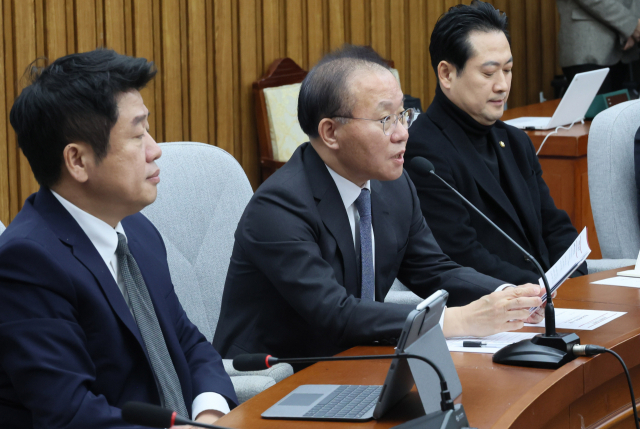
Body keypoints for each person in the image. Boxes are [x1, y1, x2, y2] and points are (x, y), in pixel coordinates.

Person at [213, 45, 544, 362]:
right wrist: (456, 321)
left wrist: (509, 295)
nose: (402, 133)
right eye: (386, 120)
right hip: (276, 379)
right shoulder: (279, 206)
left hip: (361, 359)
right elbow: (335, 312)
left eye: (404, 115)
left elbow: (433, 269)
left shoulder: (394, 186)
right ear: (330, 132)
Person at [0, 49, 237, 428]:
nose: (155, 149)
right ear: (77, 161)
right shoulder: (26, 263)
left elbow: (189, 343)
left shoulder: (136, 230)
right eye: (138, 134)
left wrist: (208, 413)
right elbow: (71, 413)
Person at [404, 1, 588, 287]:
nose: (502, 85)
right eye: (489, 73)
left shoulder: (514, 140)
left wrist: (573, 281)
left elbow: (554, 225)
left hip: (549, 301)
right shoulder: (423, 153)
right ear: (446, 74)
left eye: (508, 70)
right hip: (497, 309)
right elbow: (461, 254)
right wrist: (541, 291)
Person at [556, 0, 640, 94]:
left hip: (622, 46)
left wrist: (631, 27)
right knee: (595, 110)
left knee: (618, 110)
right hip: (589, 44)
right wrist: (630, 25)